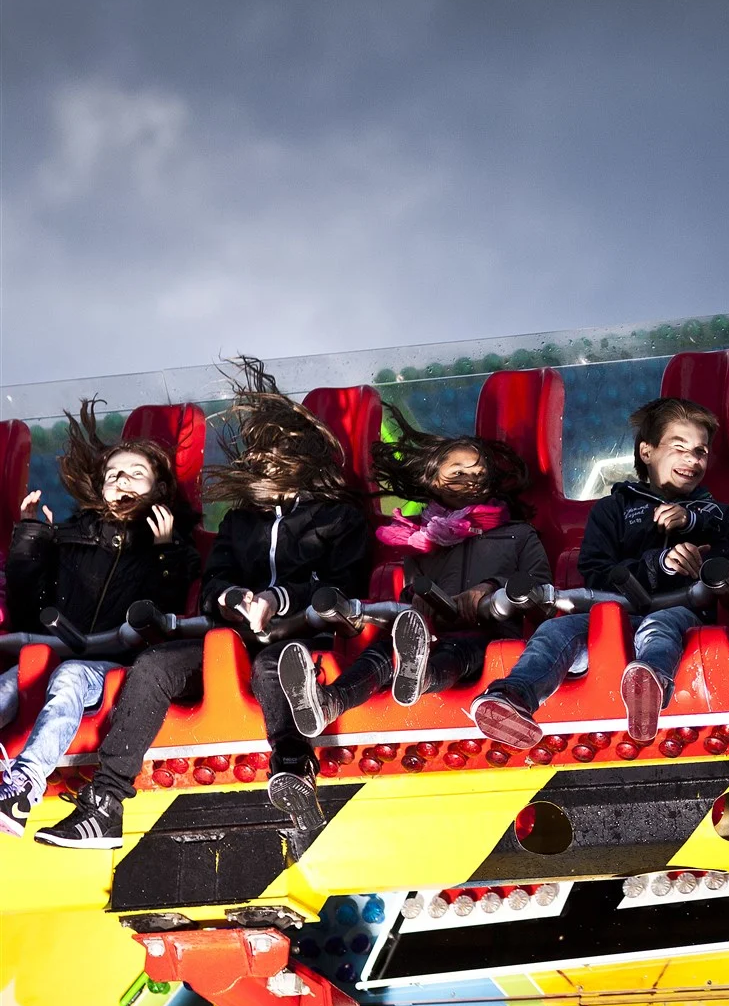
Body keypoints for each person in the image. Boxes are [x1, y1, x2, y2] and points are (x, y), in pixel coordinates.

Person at [38, 359, 371, 849]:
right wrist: (235, 597)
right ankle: (105, 805)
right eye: (257, 458)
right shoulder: (240, 522)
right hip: (231, 637)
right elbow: (216, 578)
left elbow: (343, 581)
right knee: (154, 664)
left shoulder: (339, 519)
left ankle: (295, 772)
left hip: (301, 631)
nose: (264, 467)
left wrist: (279, 600)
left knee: (270, 668)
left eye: (276, 457)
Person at [469, 397, 729, 748]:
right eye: (679, 448)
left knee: (660, 625)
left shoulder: (718, 515)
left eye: (701, 451)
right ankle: (512, 697)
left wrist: (695, 534)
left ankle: (649, 684)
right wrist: (658, 563)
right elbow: (596, 572)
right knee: (557, 628)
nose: (692, 460)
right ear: (647, 452)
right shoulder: (612, 511)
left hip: (684, 619)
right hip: (616, 619)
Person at [276, 407, 551, 741]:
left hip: (489, 635)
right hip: (432, 632)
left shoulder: (517, 534)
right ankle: (331, 701)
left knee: (459, 652)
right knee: (382, 651)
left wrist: (491, 589)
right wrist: (417, 601)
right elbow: (410, 592)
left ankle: (421, 677)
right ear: (432, 479)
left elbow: (539, 587)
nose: (472, 479)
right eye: (459, 471)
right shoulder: (420, 541)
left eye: (479, 473)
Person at [0, 404, 199, 835]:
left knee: (71, 676)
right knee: (8, 684)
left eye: (135, 473)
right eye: (113, 474)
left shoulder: (169, 547)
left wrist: (165, 549)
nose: (121, 480)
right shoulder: (74, 535)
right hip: (57, 648)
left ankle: (22, 788)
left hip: (114, 662)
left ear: (159, 489)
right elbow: (27, 602)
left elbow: (168, 608)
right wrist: (31, 535)